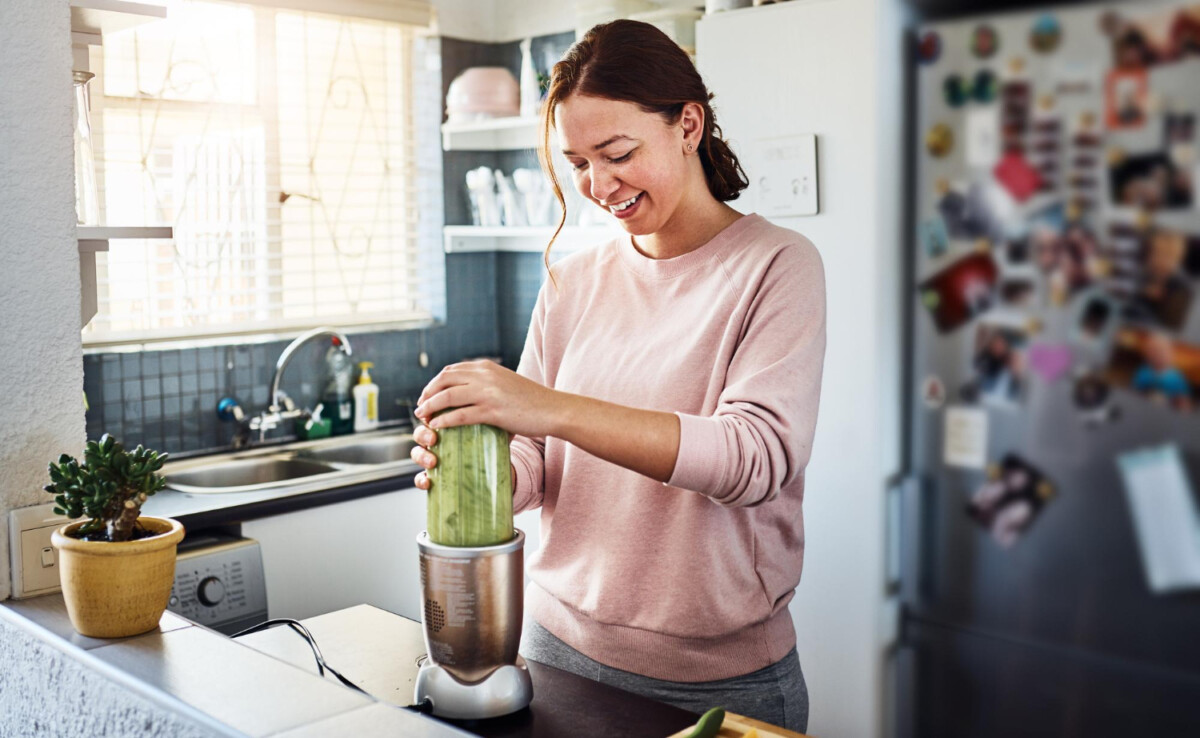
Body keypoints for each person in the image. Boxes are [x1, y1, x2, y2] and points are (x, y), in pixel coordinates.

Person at [409, 19, 825, 732]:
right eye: (578, 162)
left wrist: (551, 409)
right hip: (549, 651)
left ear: (687, 125)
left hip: (717, 684)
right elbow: (536, 456)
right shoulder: (573, 281)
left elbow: (755, 459)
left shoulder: (776, 266)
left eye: (618, 153)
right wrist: (483, 479)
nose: (599, 186)